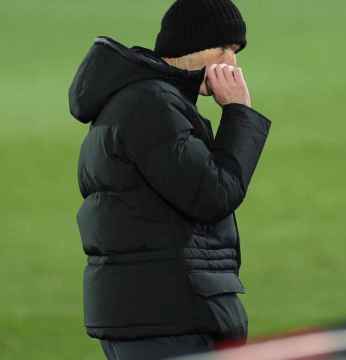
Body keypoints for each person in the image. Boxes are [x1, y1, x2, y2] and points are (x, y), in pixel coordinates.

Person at [68, 0, 271, 358]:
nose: (232, 62)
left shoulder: (148, 100)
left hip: (151, 315)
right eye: (223, 48)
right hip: (166, 320)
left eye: (236, 51)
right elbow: (213, 194)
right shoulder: (152, 106)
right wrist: (239, 113)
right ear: (190, 45)